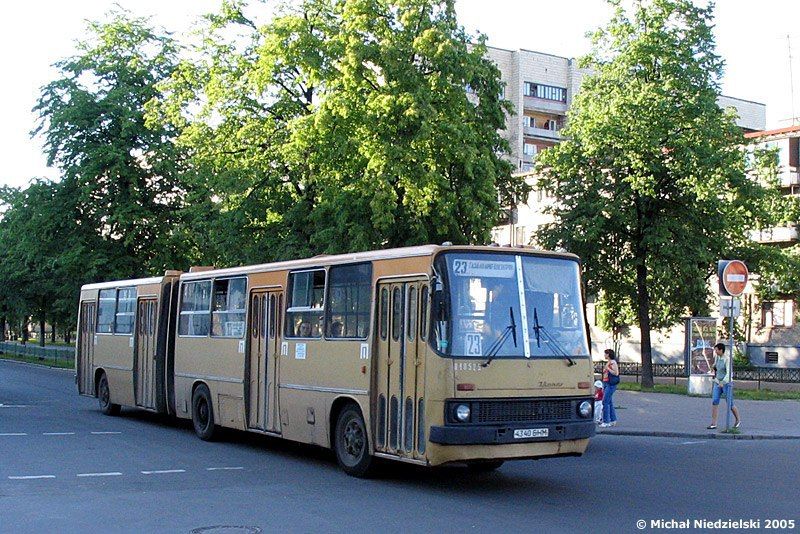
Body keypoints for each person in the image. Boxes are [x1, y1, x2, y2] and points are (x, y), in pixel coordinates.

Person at [707, 342, 741, 430]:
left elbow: (729, 373)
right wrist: (712, 367)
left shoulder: (727, 359)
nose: (715, 352)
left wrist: (723, 382)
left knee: (730, 403)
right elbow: (716, 366)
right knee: (715, 401)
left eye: (717, 350)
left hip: (726, 384)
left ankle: (738, 419)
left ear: (721, 350)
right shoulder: (718, 358)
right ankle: (714, 423)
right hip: (717, 382)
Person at [599, 348, 619, 427]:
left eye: (605, 354)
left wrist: (608, 369)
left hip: (611, 384)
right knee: (609, 402)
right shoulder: (609, 362)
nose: (604, 355)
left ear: (608, 354)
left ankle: (606, 421)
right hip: (606, 383)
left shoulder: (613, 362)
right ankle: (613, 420)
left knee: (605, 402)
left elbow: (616, 373)